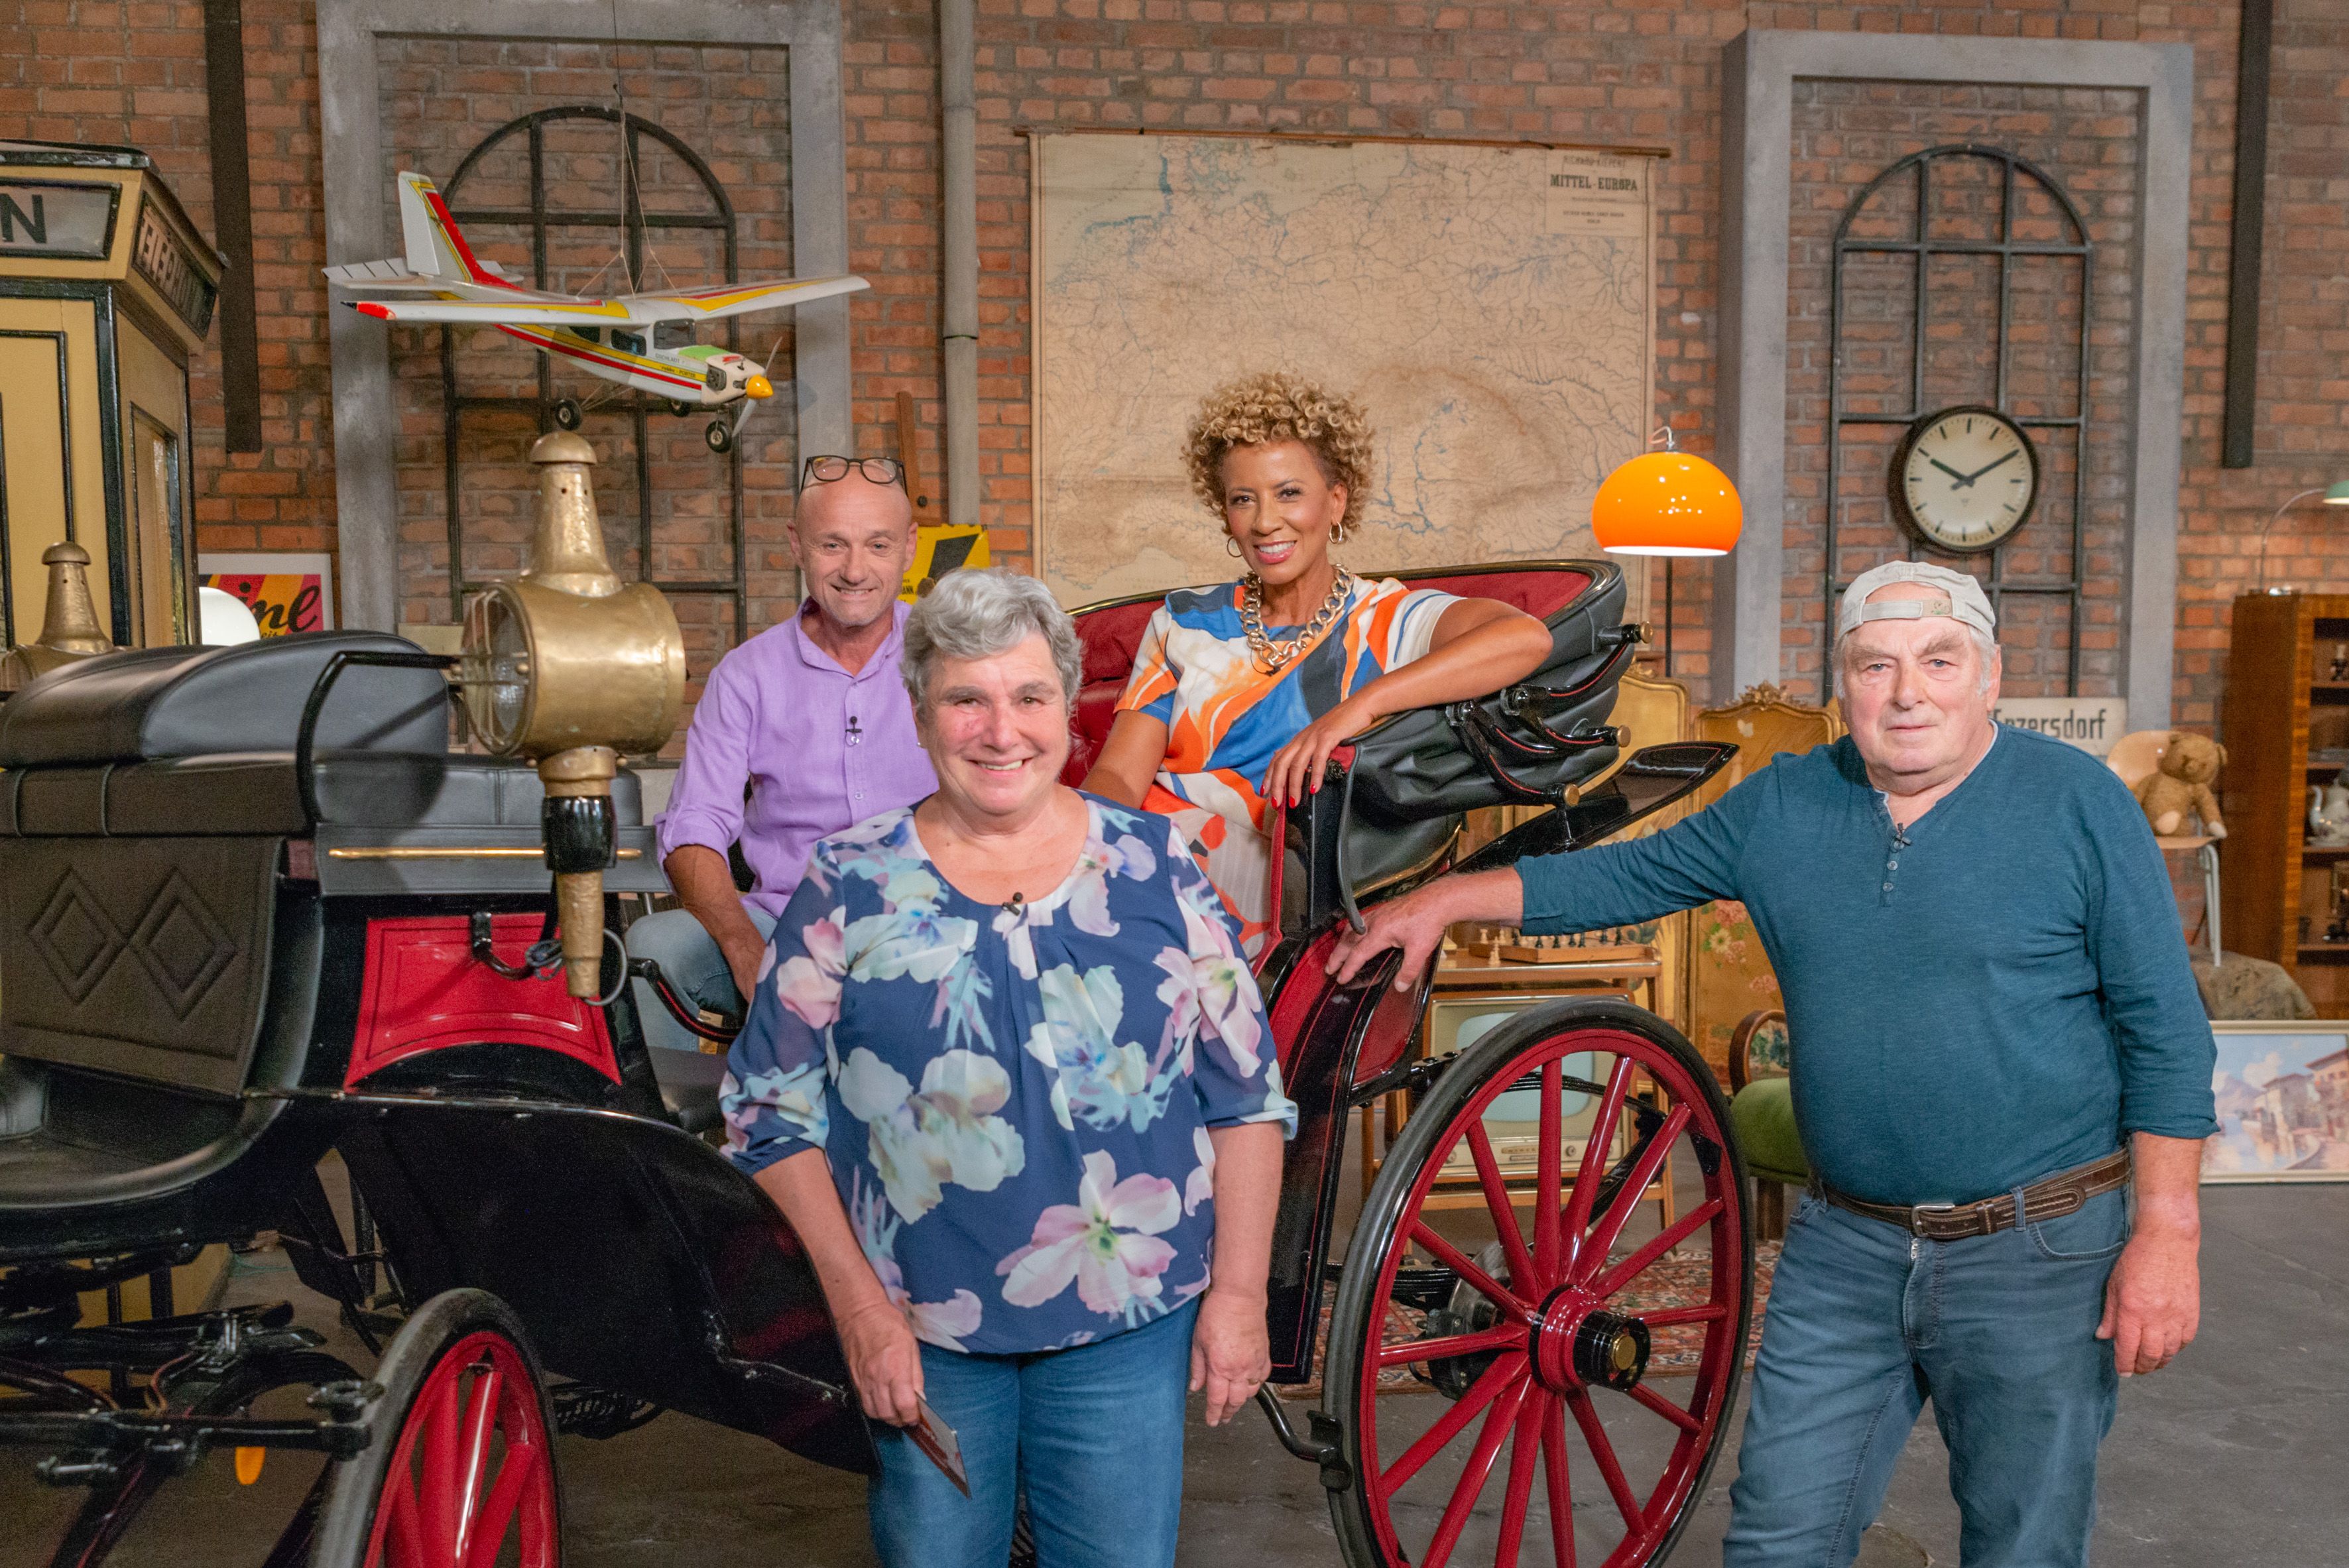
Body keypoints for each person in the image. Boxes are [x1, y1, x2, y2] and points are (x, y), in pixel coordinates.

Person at [1329, 560, 2216, 1568]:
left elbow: (2166, 1033)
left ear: (1989, 675)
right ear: (1842, 684)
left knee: (2023, 1542)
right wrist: (1446, 898)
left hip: (2034, 1249)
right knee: (1778, 1538)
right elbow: (1626, 873)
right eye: (1874, 665)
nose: (1906, 690)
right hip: (1846, 1247)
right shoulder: (1789, 801)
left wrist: (2164, 1237)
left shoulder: (2077, 803)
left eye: (1937, 659)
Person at [721, 569, 1295, 1568]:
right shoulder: (848, 879)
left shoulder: (1153, 863)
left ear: (1066, 711)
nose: (1001, 731)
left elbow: (1245, 1098)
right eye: (965, 699)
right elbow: (768, 1115)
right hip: (920, 1322)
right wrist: (858, 1313)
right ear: (920, 710)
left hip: (1126, 1320)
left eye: (1028, 697)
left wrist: (1238, 1297)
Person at [1081, 371, 1555, 955]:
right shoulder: (1182, 622)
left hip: (1283, 890)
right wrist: (1073, 850)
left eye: (1287, 493)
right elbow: (1122, 778)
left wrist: (1352, 712)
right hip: (1153, 857)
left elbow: (1522, 637)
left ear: (1336, 500)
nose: (1263, 522)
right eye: (1242, 499)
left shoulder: (1384, 619)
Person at [631, 456, 938, 1056]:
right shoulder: (745, 676)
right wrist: (745, 945)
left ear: (908, 548)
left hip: (930, 919)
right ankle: (691, 1141)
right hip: (786, 925)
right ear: (797, 545)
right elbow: (694, 827)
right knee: (653, 949)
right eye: (832, 545)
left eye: (877, 545)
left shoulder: (949, 656)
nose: (854, 570)